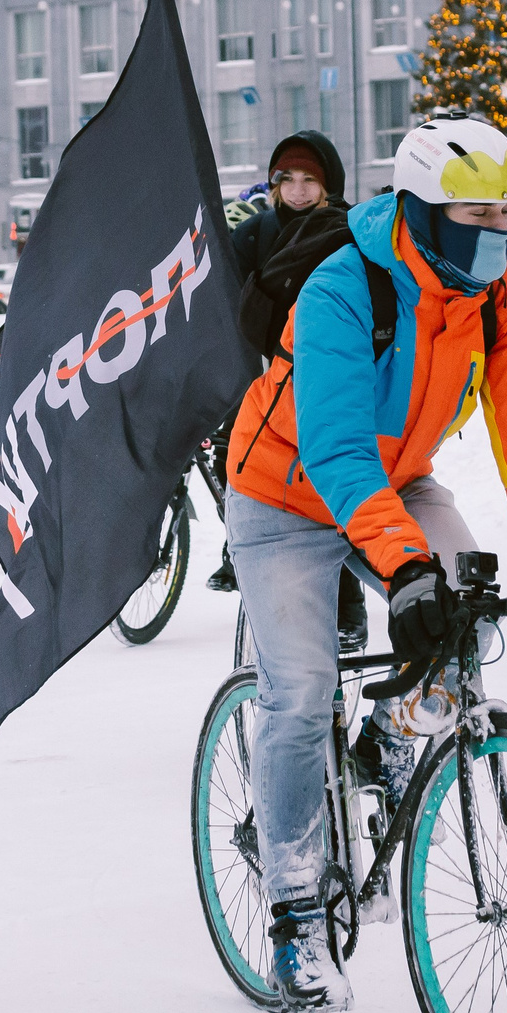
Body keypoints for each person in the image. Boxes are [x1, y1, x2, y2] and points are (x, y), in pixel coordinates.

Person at [226, 114, 507, 1010]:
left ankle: (384, 741)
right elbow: (338, 451)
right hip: (282, 492)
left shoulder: (503, 302)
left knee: (469, 614)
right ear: (421, 211)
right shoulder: (344, 287)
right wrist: (405, 567)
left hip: (397, 480)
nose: (496, 234)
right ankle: (296, 915)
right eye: (475, 215)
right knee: (300, 691)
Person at [209, 132, 370, 657]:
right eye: (287, 180)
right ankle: (246, 556)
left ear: (329, 186)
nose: (298, 191)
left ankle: (347, 603)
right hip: (261, 382)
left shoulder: (352, 232)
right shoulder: (253, 234)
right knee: (243, 472)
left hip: (328, 379)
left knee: (327, 494)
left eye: (309, 181)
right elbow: (216, 298)